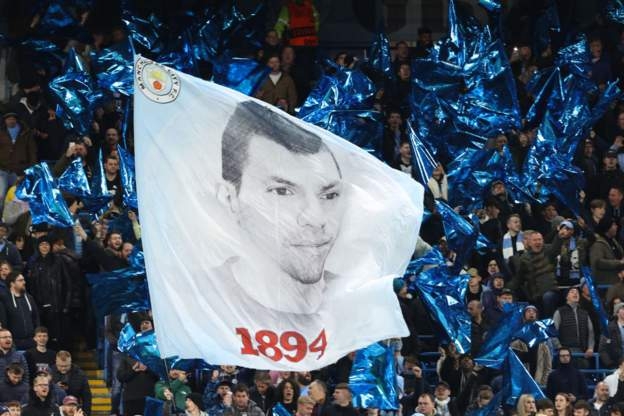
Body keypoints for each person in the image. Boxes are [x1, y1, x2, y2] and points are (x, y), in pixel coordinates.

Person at [0, 111, 37, 213]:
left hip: (19, 171)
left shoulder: (25, 133)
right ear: (5, 121)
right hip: (2, 169)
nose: (11, 121)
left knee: (16, 198)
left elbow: (32, 151)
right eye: (8, 119)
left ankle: (10, 219)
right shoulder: (1, 132)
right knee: (1, 195)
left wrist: (31, 169)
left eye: (13, 119)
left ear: (16, 120)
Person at [553, 288, 595, 362]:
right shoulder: (559, 312)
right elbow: (553, 332)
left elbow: (591, 332)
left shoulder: (585, 313)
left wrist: (590, 348)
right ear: (566, 297)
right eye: (572, 292)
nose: (575, 294)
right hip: (566, 351)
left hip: (583, 352)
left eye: (577, 292)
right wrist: (560, 348)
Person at [49, 351, 91, 415]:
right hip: (55, 411)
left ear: (70, 362)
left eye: (66, 366)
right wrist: (55, 388)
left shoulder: (80, 374)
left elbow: (87, 397)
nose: (63, 368)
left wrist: (86, 414)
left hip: (74, 410)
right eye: (60, 366)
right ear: (56, 362)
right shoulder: (49, 373)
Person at [590, 219, 624, 285]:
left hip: (619, 277)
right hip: (607, 281)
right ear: (607, 228)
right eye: (614, 225)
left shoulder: (614, 241)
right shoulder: (598, 244)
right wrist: (619, 262)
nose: (616, 226)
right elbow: (598, 263)